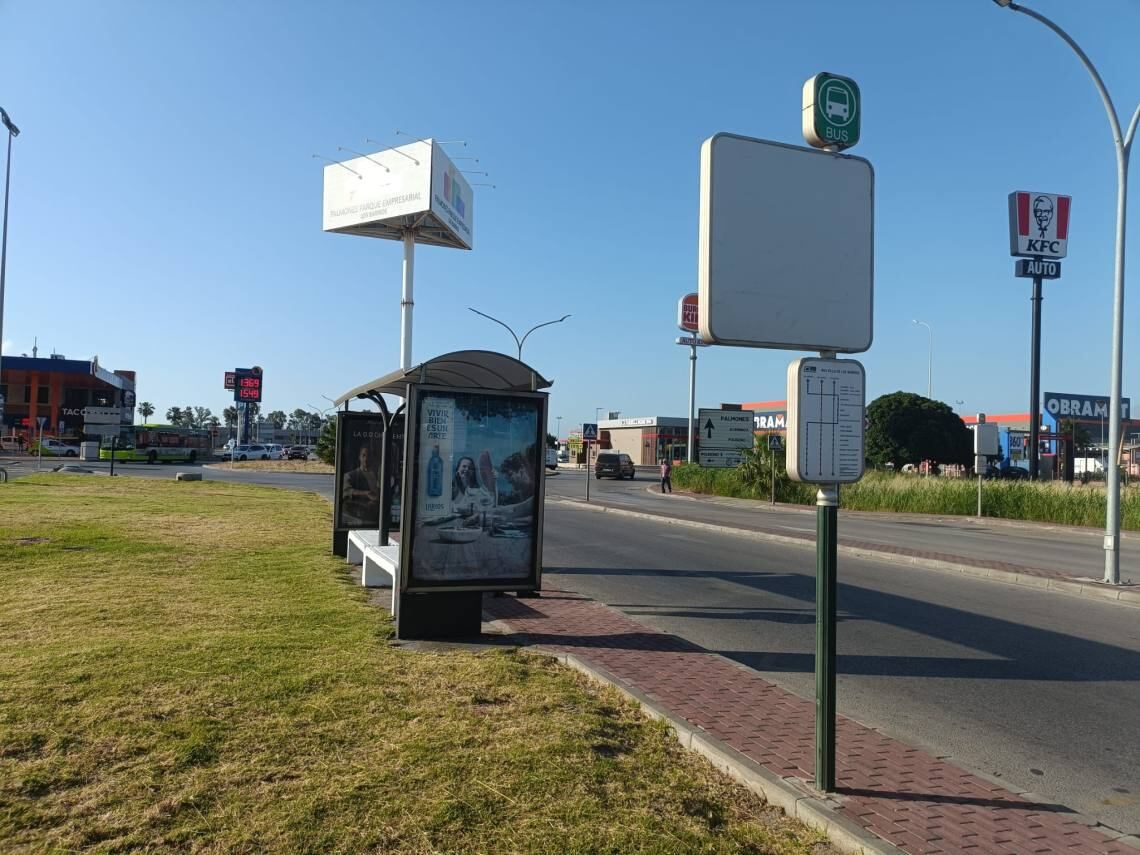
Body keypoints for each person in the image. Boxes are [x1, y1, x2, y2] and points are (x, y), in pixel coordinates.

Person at [341, 444, 380, 527]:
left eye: (368, 456)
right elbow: (345, 491)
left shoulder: (377, 475)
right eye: (363, 455)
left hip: (376, 517)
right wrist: (365, 493)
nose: (366, 459)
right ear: (359, 457)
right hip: (360, 519)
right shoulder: (351, 475)